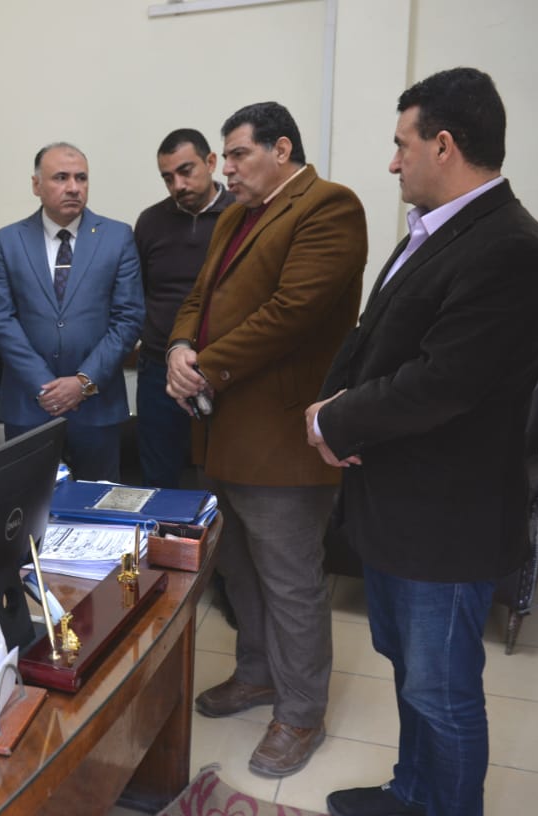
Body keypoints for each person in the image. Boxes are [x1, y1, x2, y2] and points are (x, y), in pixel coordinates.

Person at [308, 68, 538, 816]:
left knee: (444, 691)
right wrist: (328, 412)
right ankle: (414, 790)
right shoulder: (435, 230)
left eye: (402, 145)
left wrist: (337, 418)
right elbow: (371, 339)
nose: (393, 162)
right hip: (396, 509)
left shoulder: (511, 248)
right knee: (408, 669)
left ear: (444, 145)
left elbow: (440, 383)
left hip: (445, 522)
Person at [166, 102, 367, 776]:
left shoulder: (329, 207)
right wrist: (179, 347)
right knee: (238, 570)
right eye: (224, 157)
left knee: (290, 581)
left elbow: (292, 313)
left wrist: (206, 364)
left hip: (281, 438)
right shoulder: (234, 216)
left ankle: (301, 713)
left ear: (281, 150)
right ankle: (255, 674)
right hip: (220, 431)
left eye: (237, 154)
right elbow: (198, 297)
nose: (226, 168)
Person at [0, 142, 144, 481]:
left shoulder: (117, 237)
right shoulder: (8, 241)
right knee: (28, 505)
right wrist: (44, 386)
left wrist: (83, 382)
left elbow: (128, 317)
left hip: (97, 406)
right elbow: (1, 320)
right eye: (61, 177)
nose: (73, 187)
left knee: (97, 504)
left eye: (81, 178)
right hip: (29, 406)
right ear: (36, 185)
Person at [133, 128, 232, 488]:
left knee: (221, 474)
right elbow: (140, 291)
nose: (178, 185)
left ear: (211, 162)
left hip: (222, 368)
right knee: (158, 475)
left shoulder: (241, 214)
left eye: (186, 171)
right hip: (159, 368)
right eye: (168, 177)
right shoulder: (150, 222)